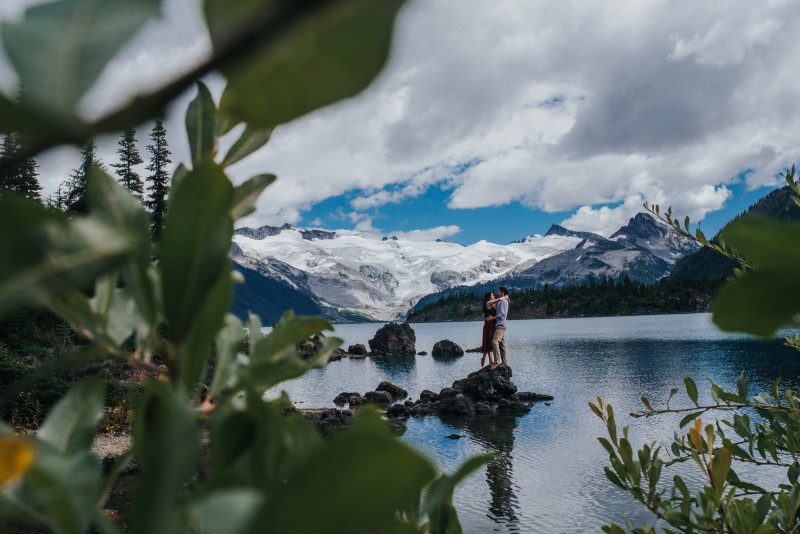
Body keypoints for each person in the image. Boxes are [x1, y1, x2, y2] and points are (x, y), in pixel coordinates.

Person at [487, 287, 510, 368]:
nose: (498, 293)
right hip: (501, 324)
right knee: (502, 344)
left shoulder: (503, 301)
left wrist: (492, 318)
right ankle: (505, 363)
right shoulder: (502, 300)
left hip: (500, 325)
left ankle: (497, 362)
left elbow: (502, 314)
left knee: (495, 342)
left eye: (499, 292)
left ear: (503, 293)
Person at [481, 291, 497, 367]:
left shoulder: (493, 304)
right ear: (489, 297)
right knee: (489, 341)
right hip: (488, 325)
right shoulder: (488, 303)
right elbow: (498, 300)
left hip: (493, 324)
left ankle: (483, 357)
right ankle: (491, 360)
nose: (494, 296)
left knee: (488, 341)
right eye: (492, 295)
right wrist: (504, 297)